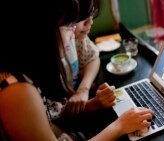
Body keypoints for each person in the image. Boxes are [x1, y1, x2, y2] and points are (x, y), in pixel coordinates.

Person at [0, 0, 154, 141]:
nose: (72, 35)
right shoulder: (17, 91)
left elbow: (54, 116)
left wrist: (91, 105)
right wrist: (119, 126)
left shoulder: (31, 73)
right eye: (69, 26)